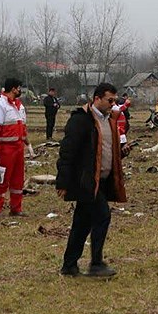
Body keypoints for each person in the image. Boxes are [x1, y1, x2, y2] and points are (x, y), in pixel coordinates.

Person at [57, 82, 131, 277]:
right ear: (97, 99)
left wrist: (122, 153)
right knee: (103, 215)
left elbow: (104, 151)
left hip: (102, 181)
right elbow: (67, 152)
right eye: (109, 100)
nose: (112, 104)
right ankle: (96, 263)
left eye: (114, 101)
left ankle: (69, 265)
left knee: (82, 223)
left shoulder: (109, 121)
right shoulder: (81, 120)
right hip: (85, 181)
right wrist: (63, 182)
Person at [0, 78, 32, 216]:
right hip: (4, 149)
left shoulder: (19, 106)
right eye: (19, 88)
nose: (20, 91)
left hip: (18, 148)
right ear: (13, 89)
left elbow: (22, 128)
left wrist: (28, 144)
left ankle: (16, 209)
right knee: (0, 180)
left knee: (17, 180)